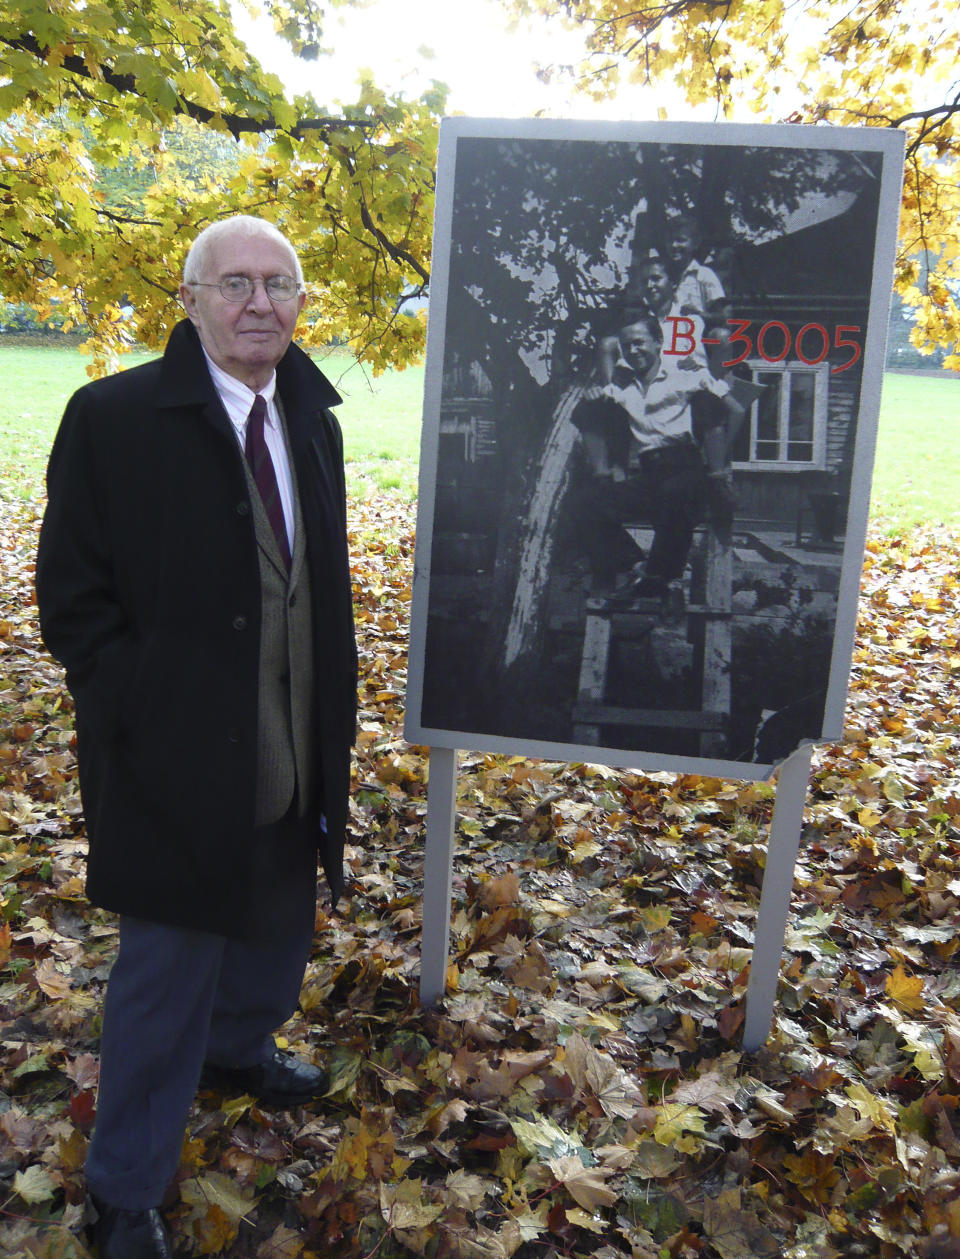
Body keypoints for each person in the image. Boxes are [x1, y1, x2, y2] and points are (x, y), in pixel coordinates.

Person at [36, 216, 357, 1259]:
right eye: (235, 284)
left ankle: (239, 1048)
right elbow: (72, 598)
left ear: (301, 300)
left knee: (275, 922)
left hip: (291, 733)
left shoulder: (313, 416)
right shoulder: (114, 417)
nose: (259, 302)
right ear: (190, 298)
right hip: (170, 756)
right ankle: (122, 1188)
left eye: (279, 283)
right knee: (165, 973)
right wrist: (131, 702)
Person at [575, 306, 737, 607]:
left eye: (640, 342)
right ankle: (637, 567)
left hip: (685, 466)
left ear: (658, 342)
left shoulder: (684, 376)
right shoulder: (623, 390)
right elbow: (587, 414)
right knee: (586, 501)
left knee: (676, 495)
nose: (634, 350)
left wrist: (720, 474)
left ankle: (660, 576)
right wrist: (592, 397)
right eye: (627, 346)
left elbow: (722, 406)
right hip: (648, 474)